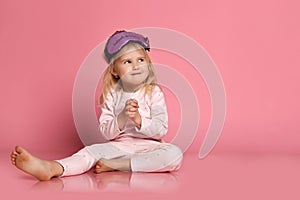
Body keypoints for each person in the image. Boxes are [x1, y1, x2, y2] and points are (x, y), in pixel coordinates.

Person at [10, 30, 183, 181]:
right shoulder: (112, 94)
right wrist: (122, 117)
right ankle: (53, 168)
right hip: (118, 146)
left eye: (140, 59)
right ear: (115, 70)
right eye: (127, 62)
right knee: (88, 152)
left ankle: (121, 165)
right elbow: (107, 133)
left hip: (150, 147)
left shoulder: (154, 93)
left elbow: (161, 129)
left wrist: (139, 120)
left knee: (174, 155)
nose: (136, 66)